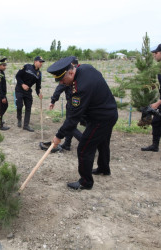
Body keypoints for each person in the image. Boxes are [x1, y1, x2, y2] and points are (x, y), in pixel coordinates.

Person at [48, 57, 118, 190]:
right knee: (103, 142)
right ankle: (104, 168)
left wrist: (58, 136)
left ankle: (85, 182)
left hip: (101, 119)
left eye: (62, 80)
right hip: (110, 113)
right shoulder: (86, 68)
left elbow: (73, 118)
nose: (62, 83)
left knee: (84, 148)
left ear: (70, 73)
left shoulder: (80, 88)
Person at [49, 56, 82, 150]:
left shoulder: (67, 76)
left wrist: (53, 100)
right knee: (72, 124)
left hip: (73, 104)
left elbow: (59, 88)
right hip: (85, 105)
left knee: (70, 124)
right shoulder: (81, 73)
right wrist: (53, 100)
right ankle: (67, 144)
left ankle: (86, 142)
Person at [15, 56, 44, 132]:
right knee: (19, 105)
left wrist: (39, 94)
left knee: (28, 107)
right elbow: (17, 76)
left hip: (28, 91)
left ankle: (26, 125)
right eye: (40, 62)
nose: (41, 63)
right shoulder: (26, 67)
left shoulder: (39, 74)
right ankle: (19, 118)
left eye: (42, 62)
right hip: (19, 89)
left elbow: (38, 86)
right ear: (35, 61)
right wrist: (22, 84)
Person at [0, 58, 10, 130]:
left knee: (4, 106)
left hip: (1, 94)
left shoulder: (1, 72)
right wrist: (3, 97)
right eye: (3, 65)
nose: (5, 67)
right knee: (1, 108)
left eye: (5, 65)